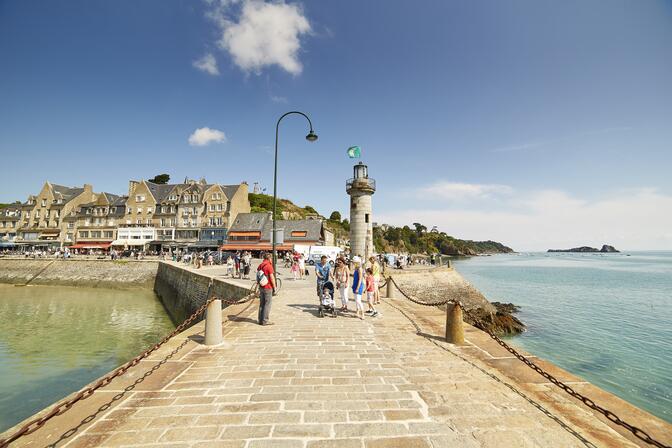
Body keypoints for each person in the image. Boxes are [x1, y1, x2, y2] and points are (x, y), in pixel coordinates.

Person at [256, 252, 276, 325]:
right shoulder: (269, 266)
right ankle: (265, 320)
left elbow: (257, 275)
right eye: (271, 258)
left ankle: (260, 320)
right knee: (267, 304)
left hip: (261, 286)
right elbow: (272, 277)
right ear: (269, 258)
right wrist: (274, 287)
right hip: (268, 286)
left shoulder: (261, 265)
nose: (272, 260)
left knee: (262, 304)